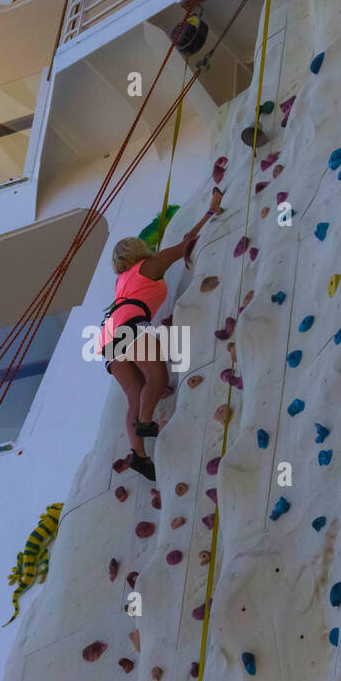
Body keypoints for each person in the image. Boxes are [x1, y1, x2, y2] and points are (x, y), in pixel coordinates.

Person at [100, 187, 225, 481]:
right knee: (156, 377)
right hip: (130, 326)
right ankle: (145, 424)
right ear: (137, 252)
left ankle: (140, 456)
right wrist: (211, 210)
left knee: (135, 394)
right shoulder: (148, 266)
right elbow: (186, 244)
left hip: (107, 335)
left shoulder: (122, 281)